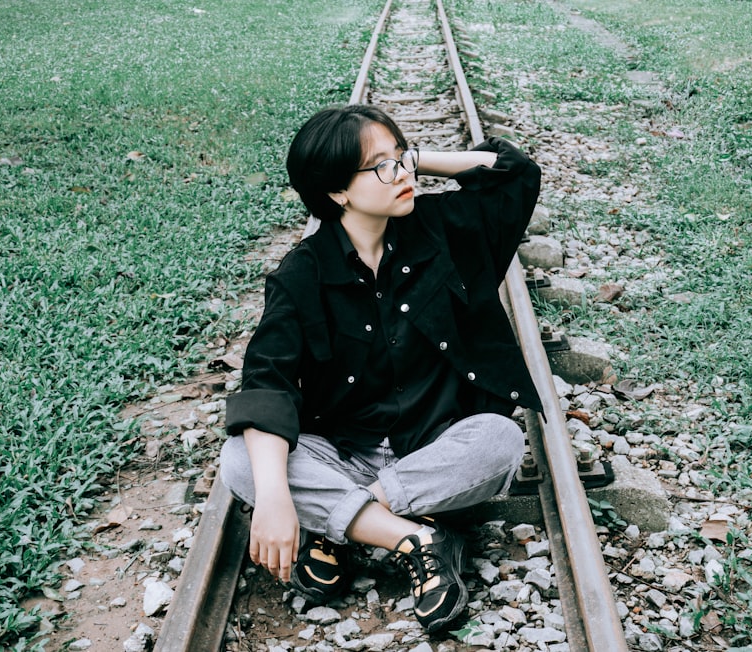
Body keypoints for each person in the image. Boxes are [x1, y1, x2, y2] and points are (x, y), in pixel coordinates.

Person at [219, 104, 542, 633]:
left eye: (403, 157)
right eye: (382, 166)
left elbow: (516, 175)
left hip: (434, 449)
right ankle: (413, 537)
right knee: (240, 461)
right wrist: (275, 499)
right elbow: (266, 384)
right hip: (342, 453)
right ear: (337, 193)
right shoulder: (301, 275)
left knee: (500, 441)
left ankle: (337, 526)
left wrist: (415, 157)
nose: (405, 174)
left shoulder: (447, 232)